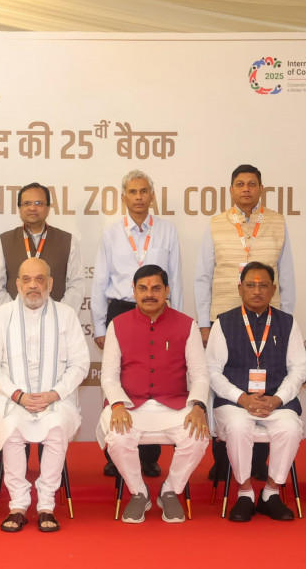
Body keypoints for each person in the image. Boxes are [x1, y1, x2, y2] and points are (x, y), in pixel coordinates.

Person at [194, 164, 296, 480]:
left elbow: (286, 274)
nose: (246, 189)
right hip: (225, 317)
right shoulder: (216, 224)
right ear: (231, 190)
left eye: (252, 184)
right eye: (240, 184)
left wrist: (287, 317)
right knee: (223, 383)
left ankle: (258, 462)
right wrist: (204, 322)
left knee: (266, 382)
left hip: (268, 316)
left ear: (261, 189)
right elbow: (202, 275)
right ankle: (223, 462)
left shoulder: (277, 222)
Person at [0, 258, 90, 532]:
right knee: (11, 428)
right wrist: (17, 394)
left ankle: (46, 505)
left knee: (56, 427)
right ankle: (18, 504)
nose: (33, 285)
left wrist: (54, 394)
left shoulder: (66, 315)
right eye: (27, 279)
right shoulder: (1, 315)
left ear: (50, 283)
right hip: (11, 396)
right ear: (17, 284)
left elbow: (80, 363)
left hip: (54, 397)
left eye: (39, 279)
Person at [99, 265, 210, 524]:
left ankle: (170, 490)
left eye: (156, 288)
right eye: (143, 288)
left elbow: (200, 375)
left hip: (173, 405)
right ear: (134, 291)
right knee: (117, 438)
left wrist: (198, 406)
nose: (149, 294)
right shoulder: (118, 325)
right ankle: (139, 492)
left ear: (167, 290)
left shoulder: (187, 325)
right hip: (130, 404)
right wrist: (117, 404)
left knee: (197, 438)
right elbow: (109, 376)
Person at [90, 170, 183, 478]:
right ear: (124, 197)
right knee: (118, 379)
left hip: (159, 311)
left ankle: (149, 456)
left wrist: (179, 322)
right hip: (121, 310)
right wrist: (100, 326)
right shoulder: (111, 233)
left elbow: (176, 277)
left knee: (155, 378)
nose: (139, 197)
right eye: (133, 192)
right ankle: (115, 452)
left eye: (144, 191)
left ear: (152, 196)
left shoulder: (167, 231)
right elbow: (100, 280)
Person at [205, 262, 304, 522]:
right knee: (239, 428)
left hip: (276, 402)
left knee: (290, 429)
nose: (257, 291)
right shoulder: (224, 323)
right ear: (240, 289)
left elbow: (298, 369)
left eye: (263, 285)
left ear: (273, 289)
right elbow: (212, 371)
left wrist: (278, 399)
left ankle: (271, 493)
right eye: (251, 285)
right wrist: (241, 398)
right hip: (235, 403)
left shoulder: (287, 323)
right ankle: (245, 493)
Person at [0, 182, 87, 312]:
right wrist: (16, 313)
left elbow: (76, 286)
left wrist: (58, 314)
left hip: (56, 319)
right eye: (27, 203)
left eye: (39, 203)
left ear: (48, 208)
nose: (32, 208)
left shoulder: (68, 241)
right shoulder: (4, 241)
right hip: (14, 319)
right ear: (19, 208)